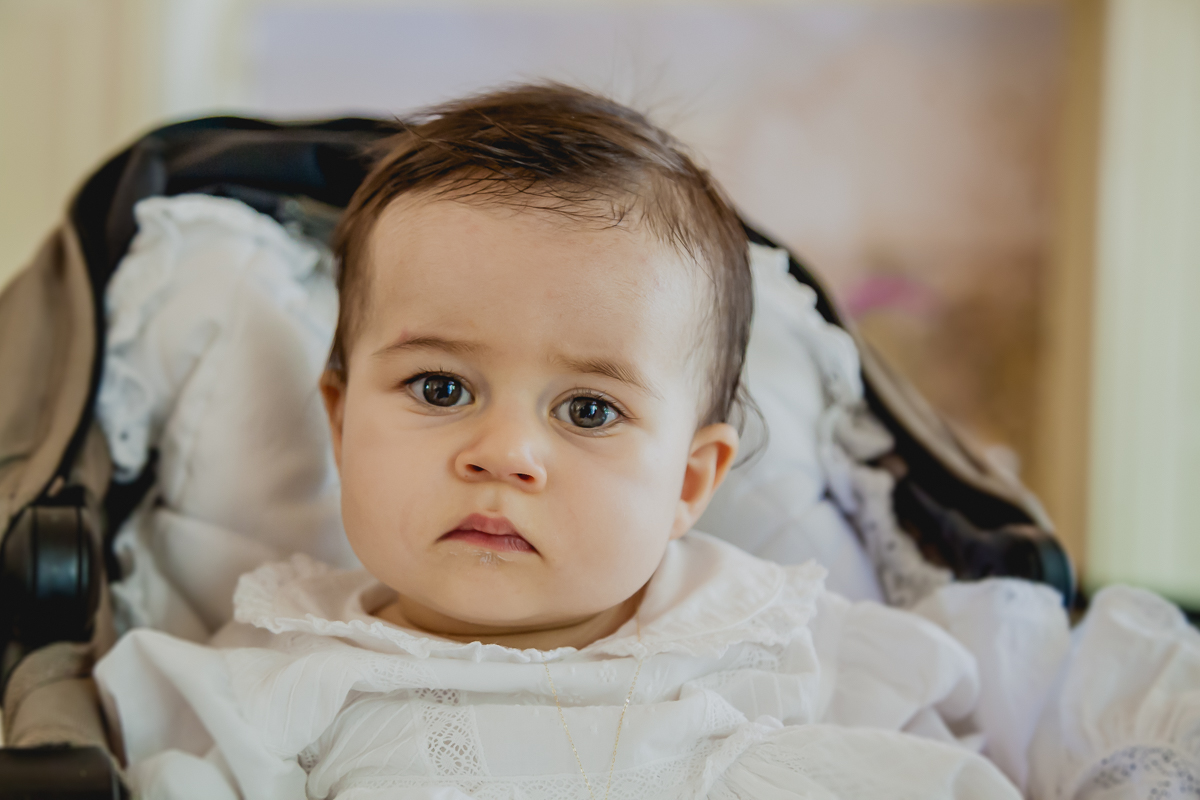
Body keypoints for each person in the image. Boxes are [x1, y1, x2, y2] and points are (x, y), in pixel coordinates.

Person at [95, 84, 1200, 800]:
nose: (504, 453)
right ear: (340, 420)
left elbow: (1023, 729)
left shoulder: (791, 630)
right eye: (441, 385)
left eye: (586, 410)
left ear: (688, 480)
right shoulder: (274, 677)